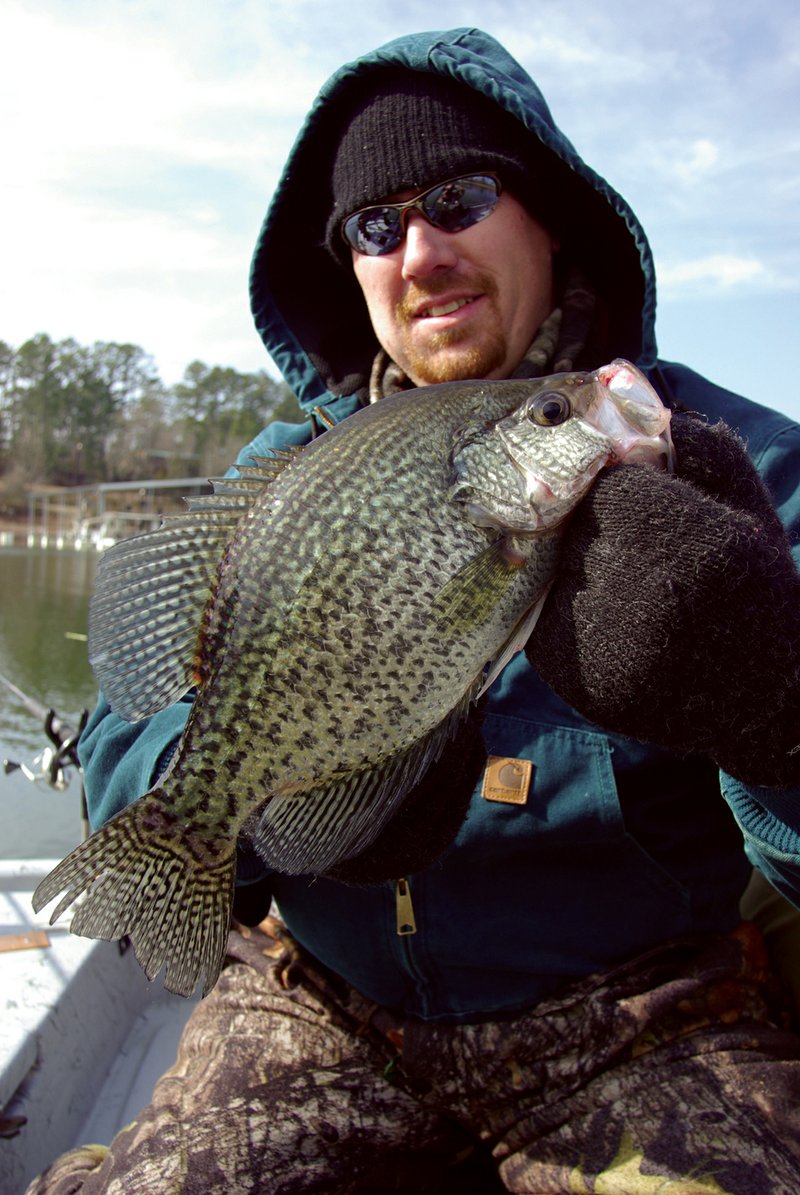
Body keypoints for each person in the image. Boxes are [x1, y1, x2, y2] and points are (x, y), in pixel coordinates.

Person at [28, 26, 800, 1195]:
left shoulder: (725, 466)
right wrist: (265, 812)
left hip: (643, 1014)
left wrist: (770, 708)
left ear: (546, 215)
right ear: (346, 268)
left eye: (459, 196)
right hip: (322, 1008)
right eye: (374, 227)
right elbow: (130, 733)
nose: (420, 250)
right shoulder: (283, 476)